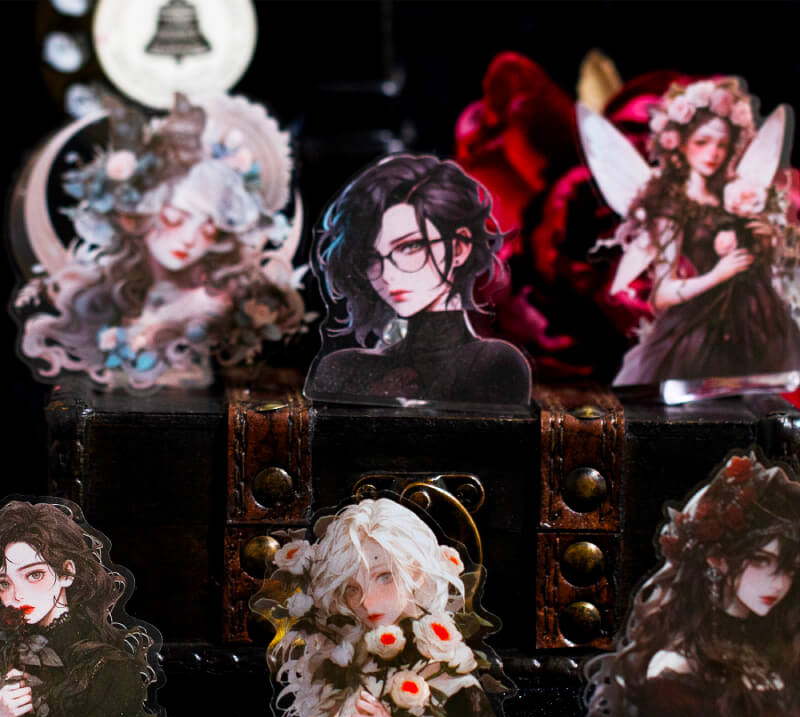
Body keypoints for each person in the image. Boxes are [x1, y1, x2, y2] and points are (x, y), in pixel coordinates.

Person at [15, 93, 304, 391]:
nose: (189, 240)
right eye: (174, 218)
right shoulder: (112, 294)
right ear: (138, 216)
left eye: (208, 230)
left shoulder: (214, 303)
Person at [577, 453, 800, 717]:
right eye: (761, 560)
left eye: (790, 569)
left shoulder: (783, 648)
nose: (778, 583)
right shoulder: (678, 666)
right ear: (717, 558)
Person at [581, 77, 800, 385]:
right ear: (680, 143)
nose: (713, 153)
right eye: (702, 142)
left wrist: (763, 239)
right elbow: (661, 294)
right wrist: (718, 275)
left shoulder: (735, 194)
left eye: (722, 145)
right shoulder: (672, 206)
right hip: (705, 326)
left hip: (760, 318)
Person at [252, 497, 507, 717]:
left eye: (384, 577)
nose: (366, 601)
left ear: (416, 572)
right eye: (352, 588)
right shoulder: (351, 662)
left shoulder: (457, 689)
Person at [304, 154, 531, 407]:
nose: (387, 275)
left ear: (459, 247)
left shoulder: (495, 364)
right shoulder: (344, 367)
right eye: (370, 258)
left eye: (409, 247)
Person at [0, 500, 158, 717]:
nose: (17, 595)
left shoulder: (108, 669)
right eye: (4, 583)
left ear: (67, 572)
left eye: (34, 575)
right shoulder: (6, 654)